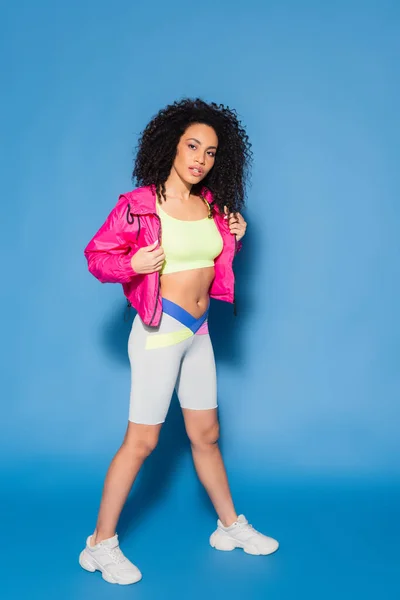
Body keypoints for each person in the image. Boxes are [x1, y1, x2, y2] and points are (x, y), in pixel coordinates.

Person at [79, 98, 279, 585]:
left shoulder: (211, 205)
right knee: (143, 441)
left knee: (206, 435)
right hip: (158, 331)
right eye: (192, 146)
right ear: (171, 145)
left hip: (200, 332)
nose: (200, 159)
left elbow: (207, 261)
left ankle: (229, 526)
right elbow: (97, 256)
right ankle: (100, 545)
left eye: (210, 152)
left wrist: (234, 237)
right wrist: (133, 266)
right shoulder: (139, 205)